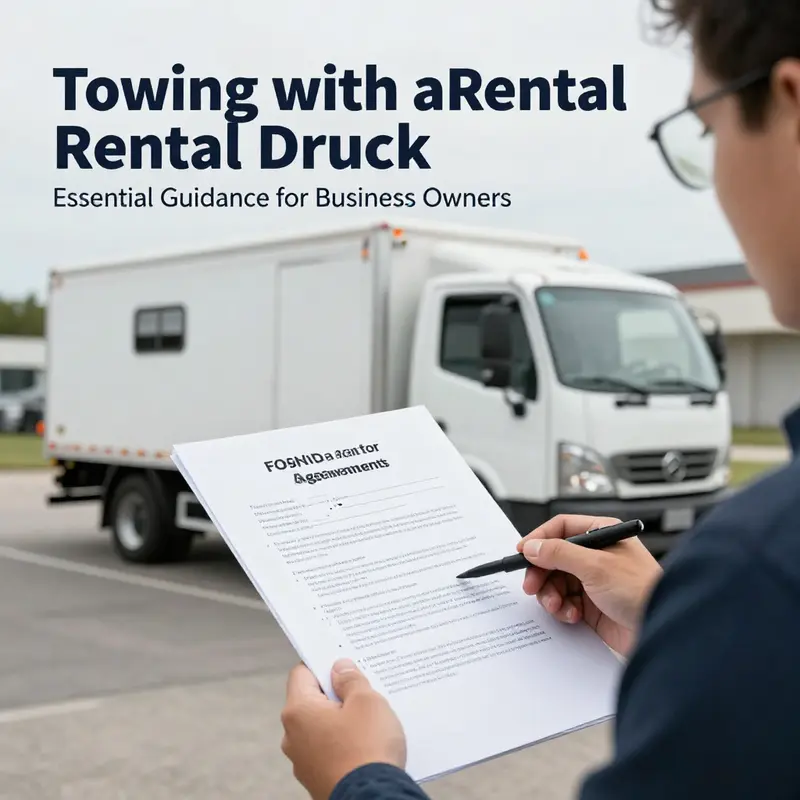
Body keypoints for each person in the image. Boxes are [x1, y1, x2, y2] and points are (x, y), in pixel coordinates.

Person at [279, 0, 800, 797]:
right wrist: (676, 618)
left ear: (790, 105)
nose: (717, 175)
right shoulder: (751, 591)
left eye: (707, 127)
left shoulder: (760, 573)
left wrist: (359, 778)